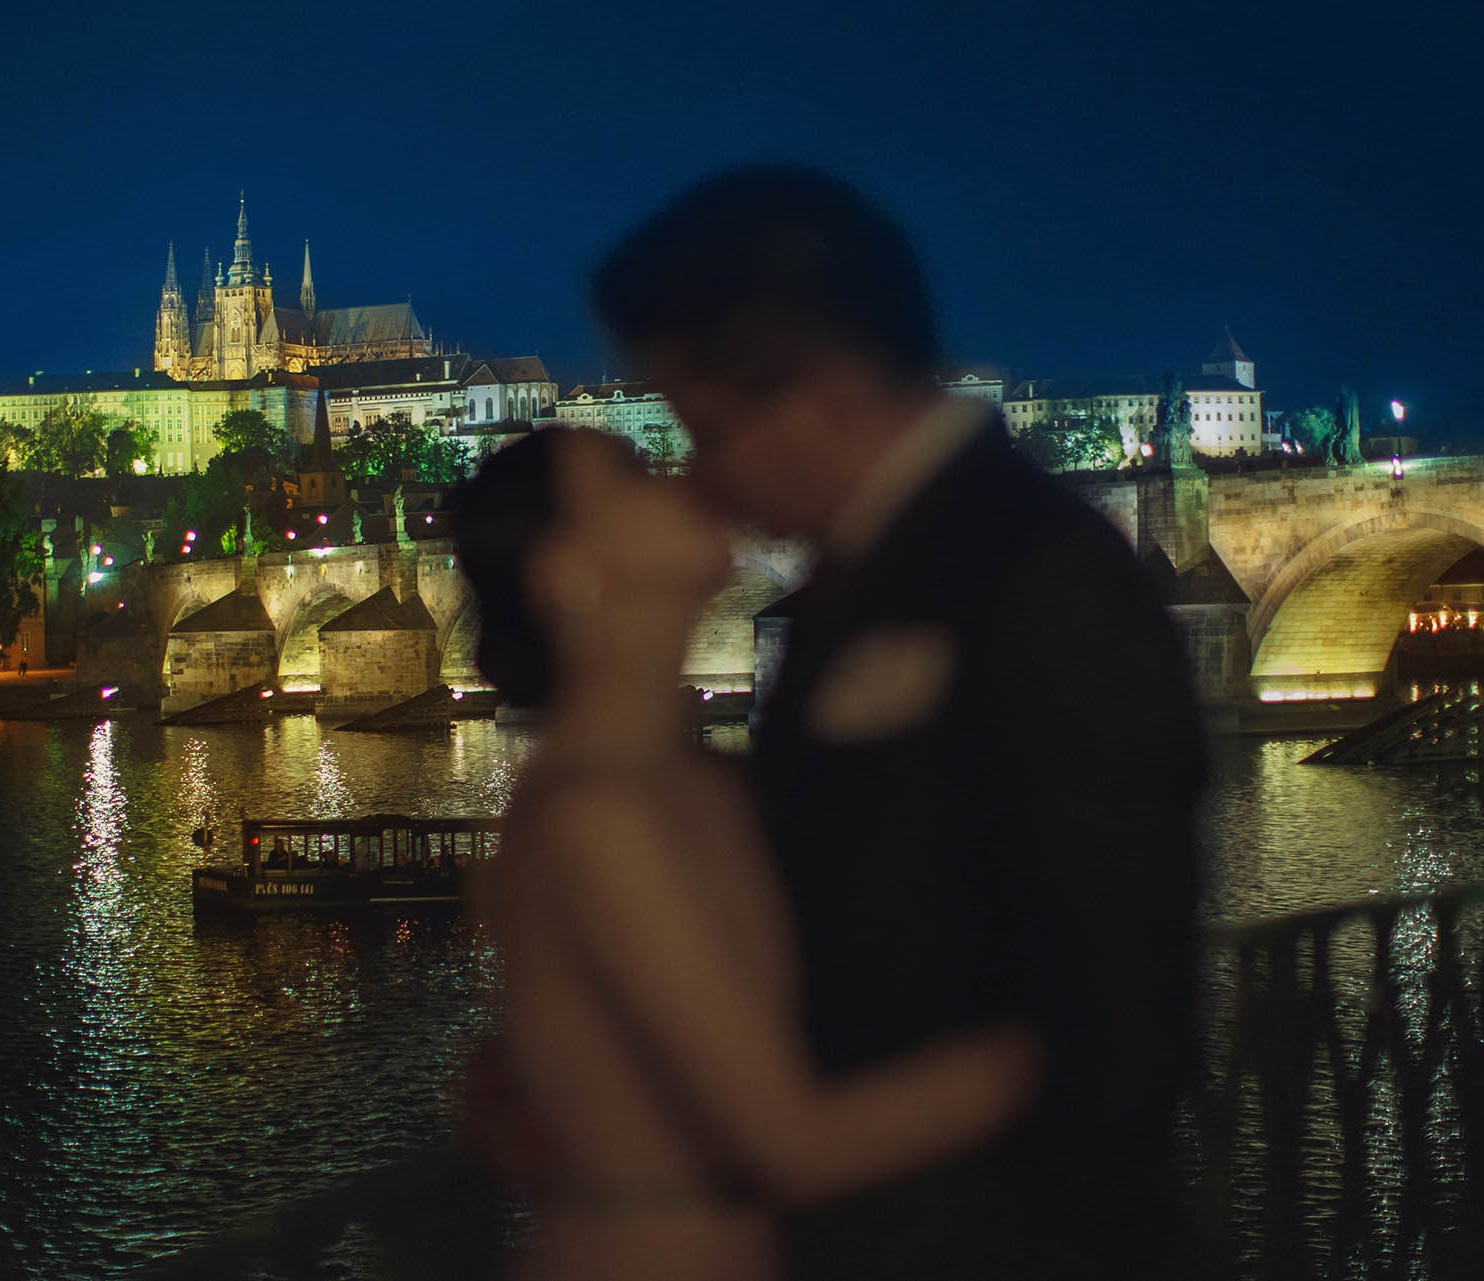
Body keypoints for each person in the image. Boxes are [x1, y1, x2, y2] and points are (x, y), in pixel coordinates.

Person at [589, 165, 1210, 1279]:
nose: (704, 484)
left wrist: (778, 1154)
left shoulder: (1035, 576)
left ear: (817, 391)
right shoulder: (867, 579)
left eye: (705, 429)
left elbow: (1116, 1005)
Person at [455, 429, 1040, 1281]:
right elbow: (795, 1143)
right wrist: (1065, 1039)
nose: (683, 477)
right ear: (568, 572)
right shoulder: (595, 814)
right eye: (635, 478)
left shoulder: (706, 781)